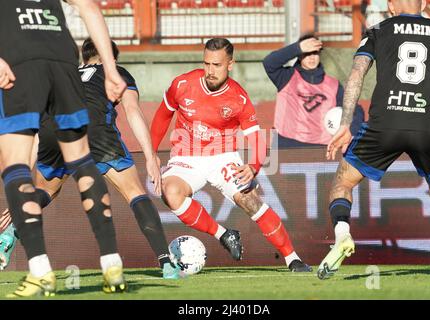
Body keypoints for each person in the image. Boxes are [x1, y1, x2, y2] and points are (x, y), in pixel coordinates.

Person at [0, 39, 184, 280]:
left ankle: (10, 233)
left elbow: (37, 130)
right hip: (95, 132)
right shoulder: (116, 72)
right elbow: (132, 111)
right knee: (134, 192)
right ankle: (167, 262)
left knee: (45, 191)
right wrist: (150, 156)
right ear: (112, 58)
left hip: (53, 132)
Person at [150, 38, 312, 272]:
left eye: (216, 65)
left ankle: (292, 258)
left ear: (230, 64)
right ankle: (224, 234)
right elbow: (163, 115)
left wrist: (253, 166)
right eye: (206, 64)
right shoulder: (182, 84)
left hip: (222, 156)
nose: (210, 71)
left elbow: (256, 138)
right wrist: (151, 153)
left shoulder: (238, 98)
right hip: (186, 157)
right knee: (170, 193)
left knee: (250, 201)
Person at [0, 0, 127, 297]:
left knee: (15, 163)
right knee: (82, 160)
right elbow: (91, 7)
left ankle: (41, 271)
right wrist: (110, 69)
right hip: (63, 59)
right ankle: (112, 264)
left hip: (19, 59)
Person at [317, 0, 430, 279]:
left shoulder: (378, 30)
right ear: (424, 4)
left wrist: (345, 123)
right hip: (428, 124)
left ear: (390, 6)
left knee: (343, 181)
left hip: (384, 124)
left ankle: (342, 234)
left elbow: (356, 74)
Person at [263, 34, 364, 148]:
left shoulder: (333, 85)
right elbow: (269, 63)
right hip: (287, 145)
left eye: (315, 53)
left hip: (320, 148)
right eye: (307, 53)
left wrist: (352, 131)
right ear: (300, 55)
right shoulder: (286, 77)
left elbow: (356, 109)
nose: (311, 57)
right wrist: (297, 48)